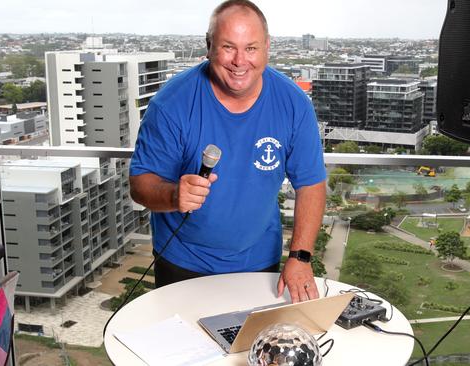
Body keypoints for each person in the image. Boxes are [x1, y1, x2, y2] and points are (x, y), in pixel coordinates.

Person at [129, 0, 326, 303]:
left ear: (267, 48)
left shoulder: (294, 104)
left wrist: (300, 256)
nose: (239, 61)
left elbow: (311, 183)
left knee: (251, 347)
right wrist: (173, 196)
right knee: (184, 349)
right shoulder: (171, 104)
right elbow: (140, 184)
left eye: (251, 48)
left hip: (259, 261)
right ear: (209, 47)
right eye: (228, 47)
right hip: (182, 258)